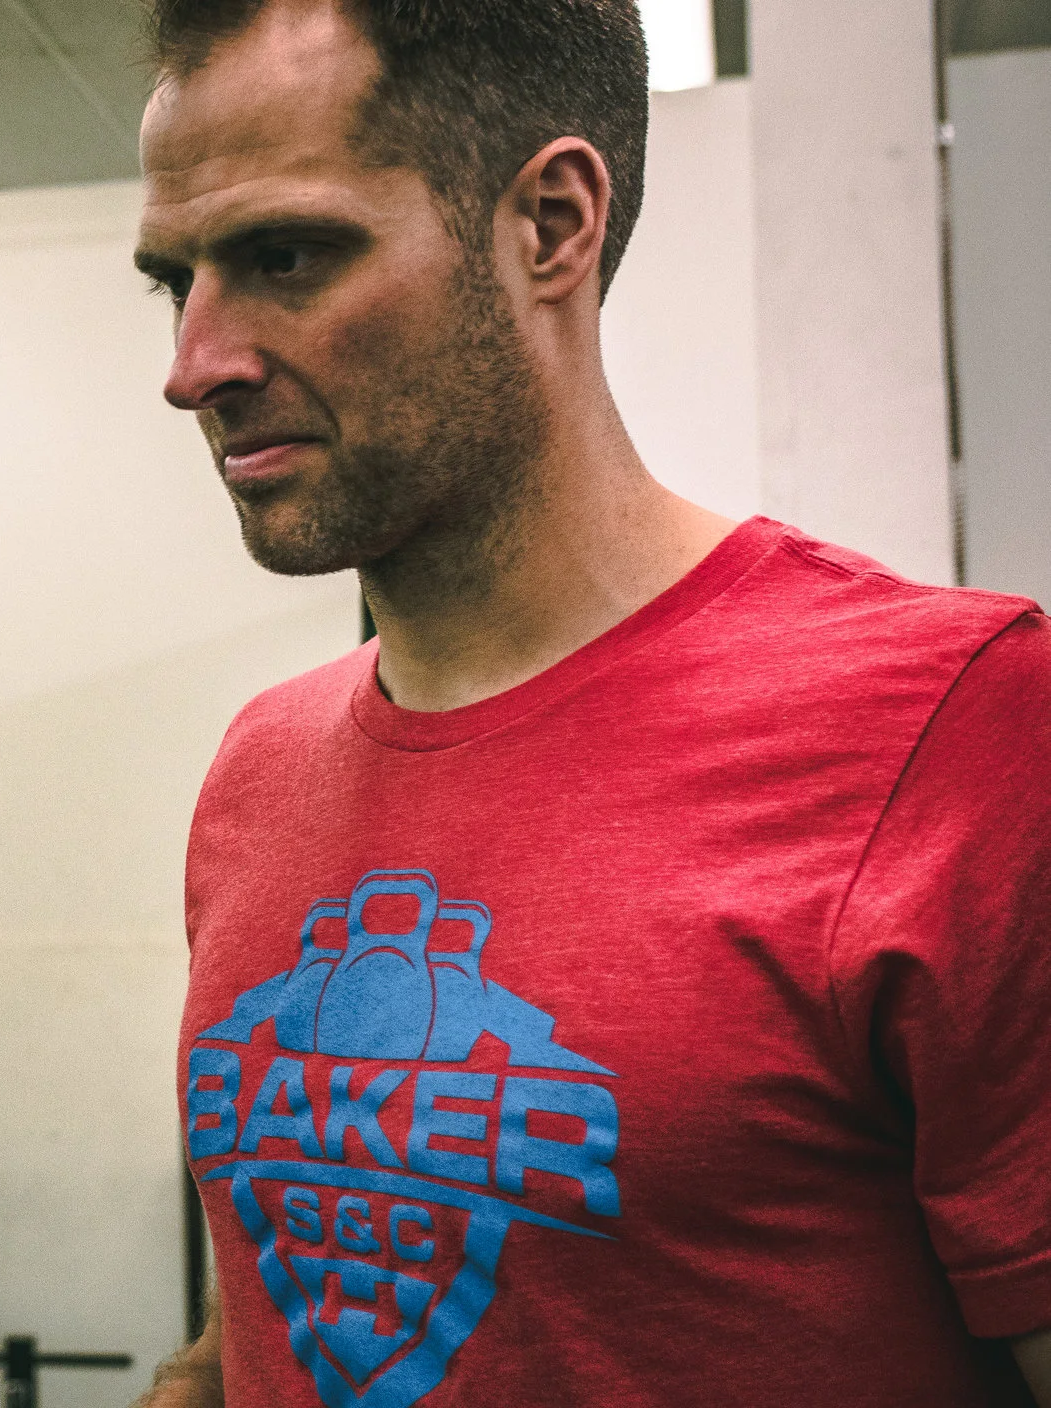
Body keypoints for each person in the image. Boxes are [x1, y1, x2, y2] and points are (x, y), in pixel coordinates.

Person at [130, 1, 1051, 1404]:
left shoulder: (959, 728)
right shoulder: (261, 766)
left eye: (286, 258)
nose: (196, 365)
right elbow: (265, 1320)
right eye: (174, 281)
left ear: (549, 226)